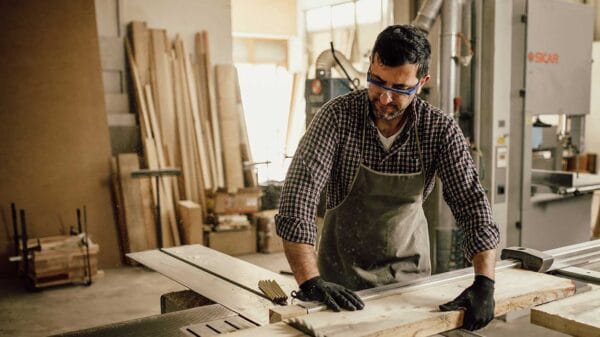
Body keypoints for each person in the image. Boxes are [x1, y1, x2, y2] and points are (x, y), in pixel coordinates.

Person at [275, 25, 499, 331]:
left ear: (422, 83)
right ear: (370, 66)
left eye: (400, 88)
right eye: (377, 82)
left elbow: (472, 203)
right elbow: (297, 198)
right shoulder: (337, 117)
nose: (384, 98)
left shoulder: (439, 130)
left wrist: (484, 282)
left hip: (409, 283)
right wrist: (310, 281)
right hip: (337, 284)